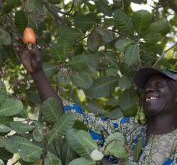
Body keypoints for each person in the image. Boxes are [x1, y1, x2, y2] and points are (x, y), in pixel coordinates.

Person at [16, 46, 177, 165]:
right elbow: (67, 118)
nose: (149, 89)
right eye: (147, 86)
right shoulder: (127, 128)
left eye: (158, 85)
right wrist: (37, 73)